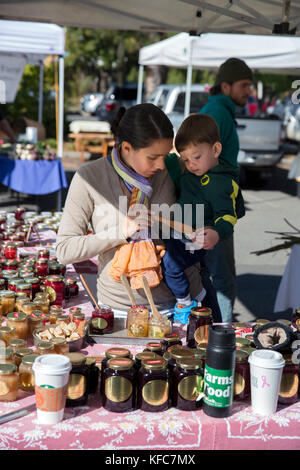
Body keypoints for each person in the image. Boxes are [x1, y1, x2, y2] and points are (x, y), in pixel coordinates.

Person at [56, 103, 205, 314]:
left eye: (165, 154)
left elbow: (209, 212)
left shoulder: (177, 169)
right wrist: (120, 232)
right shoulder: (90, 178)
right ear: (126, 148)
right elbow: (64, 250)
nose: (162, 165)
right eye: (153, 157)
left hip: (182, 306)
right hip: (119, 310)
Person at [163, 114, 244, 324]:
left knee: (173, 264)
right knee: (200, 276)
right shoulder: (195, 173)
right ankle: (203, 308)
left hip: (203, 237)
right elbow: (174, 169)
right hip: (183, 231)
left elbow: (227, 216)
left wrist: (217, 233)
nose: (190, 164)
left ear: (216, 149)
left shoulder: (220, 183)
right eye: (186, 159)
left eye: (196, 157)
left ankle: (189, 305)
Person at [199, 57, 253, 322]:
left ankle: (213, 333)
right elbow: (199, 160)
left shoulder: (220, 110)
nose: (248, 91)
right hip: (214, 210)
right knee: (221, 278)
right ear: (226, 85)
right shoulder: (218, 113)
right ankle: (223, 335)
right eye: (243, 85)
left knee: (213, 275)